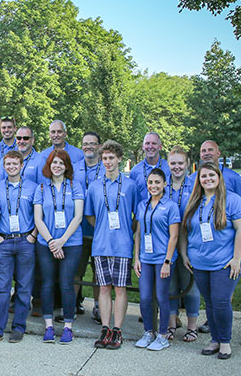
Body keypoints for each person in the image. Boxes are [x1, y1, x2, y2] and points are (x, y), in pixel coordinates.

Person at [179, 163, 241, 359]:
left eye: (211, 175)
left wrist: (236, 259)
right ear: (198, 180)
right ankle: (215, 340)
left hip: (225, 262)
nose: (207, 179)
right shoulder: (193, 202)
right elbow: (184, 230)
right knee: (209, 302)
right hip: (200, 262)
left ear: (219, 177)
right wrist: (184, 255)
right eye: (203, 176)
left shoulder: (232, 200)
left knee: (221, 301)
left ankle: (225, 341)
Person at [84, 140, 138, 349]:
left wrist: (126, 229)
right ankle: (105, 329)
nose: (107, 162)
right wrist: (102, 228)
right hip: (101, 245)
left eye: (111, 158)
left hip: (123, 245)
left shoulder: (130, 185)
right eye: (104, 158)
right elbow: (89, 215)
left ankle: (118, 330)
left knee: (120, 288)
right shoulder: (96, 186)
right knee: (104, 288)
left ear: (119, 159)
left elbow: (137, 216)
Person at [33, 149, 85, 344]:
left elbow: (78, 216)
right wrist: (51, 242)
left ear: (66, 166)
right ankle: (48, 326)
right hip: (46, 243)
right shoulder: (41, 188)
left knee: (66, 284)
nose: (57, 166)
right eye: (54, 163)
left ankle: (68, 327)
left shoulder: (76, 186)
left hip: (70, 243)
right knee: (46, 284)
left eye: (61, 163)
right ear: (49, 165)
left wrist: (61, 241)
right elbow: (38, 218)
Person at [0, 150, 39, 345]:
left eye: (15, 164)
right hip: (5, 242)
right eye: (8, 164)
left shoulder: (33, 188)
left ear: (22, 166)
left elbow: (38, 215)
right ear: (4, 166)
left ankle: (18, 327)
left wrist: (33, 235)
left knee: (24, 287)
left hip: (26, 241)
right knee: (2, 287)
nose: (11, 167)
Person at [132, 168, 180, 351]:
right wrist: (136, 258)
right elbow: (138, 233)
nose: (154, 186)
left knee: (161, 296)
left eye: (157, 182)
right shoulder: (142, 205)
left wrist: (167, 261)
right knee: (144, 297)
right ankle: (148, 332)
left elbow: (174, 236)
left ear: (164, 184)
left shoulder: (170, 206)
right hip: (145, 257)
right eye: (151, 182)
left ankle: (162, 335)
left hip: (162, 258)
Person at [166, 146, 200, 342]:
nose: (177, 167)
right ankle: (171, 326)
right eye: (173, 163)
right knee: (170, 286)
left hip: (190, 243)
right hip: (168, 244)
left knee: (190, 286)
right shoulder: (162, 186)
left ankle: (192, 328)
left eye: (180, 163)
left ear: (187, 164)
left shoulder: (196, 186)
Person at [76, 131, 103, 318]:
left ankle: (98, 306)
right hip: (77, 229)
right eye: (86, 144)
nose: (89, 147)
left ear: (99, 146)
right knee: (76, 271)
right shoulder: (74, 168)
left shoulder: (105, 168)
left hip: (100, 230)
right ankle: (72, 306)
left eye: (93, 143)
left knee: (98, 272)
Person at [129, 133, 172, 203]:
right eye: (147, 143)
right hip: (143, 212)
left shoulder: (169, 169)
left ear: (160, 147)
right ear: (143, 146)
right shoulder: (135, 171)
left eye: (154, 143)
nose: (150, 146)